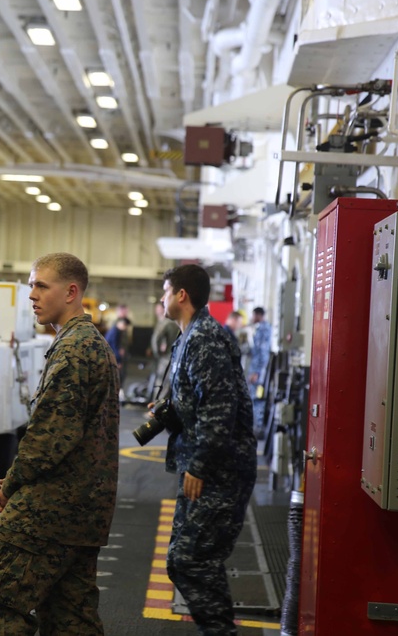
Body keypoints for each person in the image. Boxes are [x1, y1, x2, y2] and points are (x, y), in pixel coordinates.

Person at [0, 252, 119, 635]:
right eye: (31, 285)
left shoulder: (73, 350)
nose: (32, 295)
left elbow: (50, 437)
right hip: (83, 511)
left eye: (41, 285)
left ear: (71, 292)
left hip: (50, 511)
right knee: (71, 617)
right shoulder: (90, 344)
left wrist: (13, 483)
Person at [158, 264, 256, 635]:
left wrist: (198, 465)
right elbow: (196, 403)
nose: (161, 298)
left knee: (192, 559)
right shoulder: (188, 337)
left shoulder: (205, 339)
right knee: (180, 560)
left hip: (219, 470)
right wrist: (168, 413)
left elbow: (219, 408)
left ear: (181, 295)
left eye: (165, 291)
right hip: (201, 466)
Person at [248, 306, 271, 435]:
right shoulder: (262, 328)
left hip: (258, 373)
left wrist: (257, 373)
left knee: (258, 399)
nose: (252, 318)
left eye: (253, 315)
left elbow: (262, 354)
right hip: (257, 371)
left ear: (258, 315)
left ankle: (258, 428)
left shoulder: (263, 330)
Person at [104, 315, 130, 382]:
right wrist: (118, 361)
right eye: (126, 326)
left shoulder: (114, 330)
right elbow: (115, 347)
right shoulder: (115, 332)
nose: (126, 328)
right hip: (112, 358)